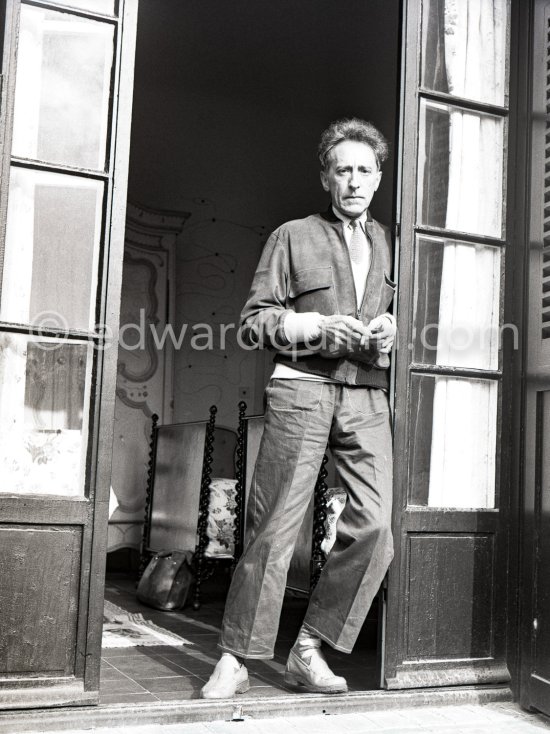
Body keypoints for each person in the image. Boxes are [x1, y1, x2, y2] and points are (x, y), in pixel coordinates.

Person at [201, 117, 397, 699]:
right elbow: (254, 320)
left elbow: (399, 317)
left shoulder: (389, 243)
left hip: (365, 393)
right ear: (325, 178)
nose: (354, 181)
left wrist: (390, 329)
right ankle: (236, 657)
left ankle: (309, 647)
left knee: (376, 525)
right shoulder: (293, 234)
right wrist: (313, 327)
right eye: (343, 170)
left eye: (365, 170)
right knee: (275, 528)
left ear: (379, 177)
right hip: (300, 389)